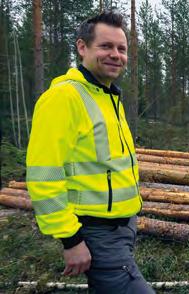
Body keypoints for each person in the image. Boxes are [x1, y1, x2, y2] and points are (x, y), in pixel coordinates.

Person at [26, 11, 154, 293]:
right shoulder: (64, 97)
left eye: (121, 49)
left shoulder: (108, 96)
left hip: (123, 227)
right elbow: (43, 175)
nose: (115, 55)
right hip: (95, 231)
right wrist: (71, 240)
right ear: (82, 47)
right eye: (106, 46)